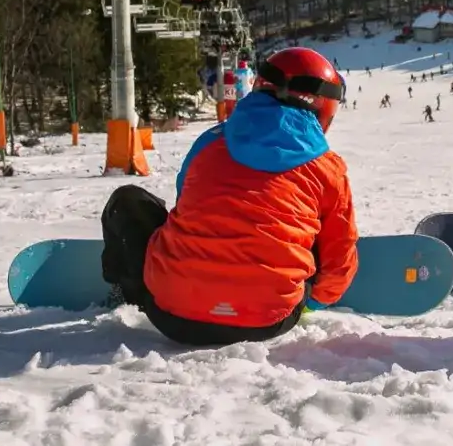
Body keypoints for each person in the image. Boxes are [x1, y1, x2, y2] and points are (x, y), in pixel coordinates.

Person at [100, 47, 358, 347]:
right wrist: (316, 301)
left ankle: (128, 291)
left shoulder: (210, 142)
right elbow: (340, 256)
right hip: (270, 321)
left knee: (128, 200)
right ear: (322, 107)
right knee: (311, 226)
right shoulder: (327, 168)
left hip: (172, 318)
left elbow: (186, 204)